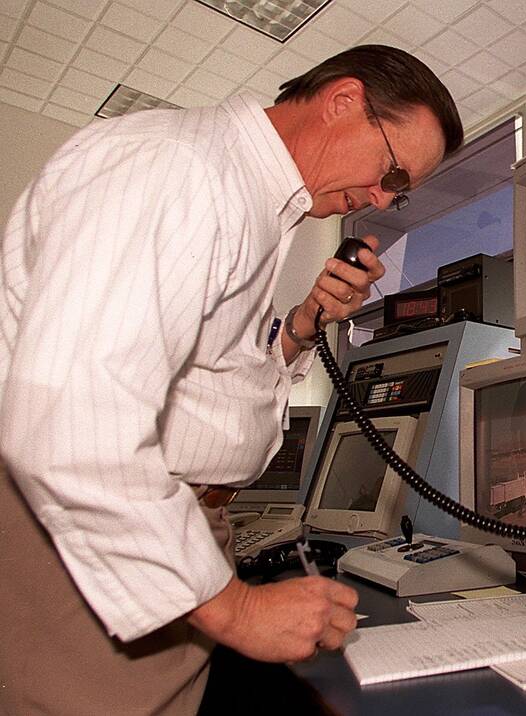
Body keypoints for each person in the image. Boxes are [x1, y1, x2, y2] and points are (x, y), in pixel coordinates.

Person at [0, 45, 463, 714]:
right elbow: (72, 418)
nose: (381, 198)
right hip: (97, 534)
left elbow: (199, 382)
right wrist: (236, 609)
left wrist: (302, 325)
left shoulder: (250, 202)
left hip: (171, 530)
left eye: (400, 191)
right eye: (392, 172)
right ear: (342, 101)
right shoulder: (178, 170)